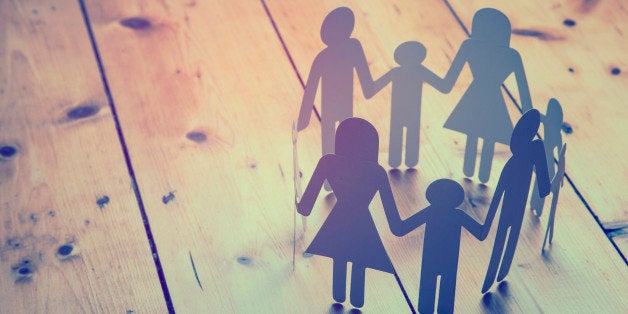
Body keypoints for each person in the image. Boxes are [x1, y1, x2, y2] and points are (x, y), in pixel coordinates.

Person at [297, 118, 413, 308]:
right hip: (361, 224)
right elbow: (394, 222)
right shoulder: (376, 172)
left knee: (341, 255)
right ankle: (354, 298)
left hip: (339, 221)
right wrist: (409, 225)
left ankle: (340, 296)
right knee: (359, 258)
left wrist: (299, 203)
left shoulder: (329, 162)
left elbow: (306, 207)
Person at [440, 8, 533, 183]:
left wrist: (531, 119)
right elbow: (524, 95)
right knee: (485, 135)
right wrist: (531, 118)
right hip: (491, 100)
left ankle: (475, 171)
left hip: (476, 97)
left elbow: (448, 81)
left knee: (476, 132)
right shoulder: (510, 55)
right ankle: (478, 172)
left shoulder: (471, 46)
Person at [481, 109, 551, 293]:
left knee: (506, 237)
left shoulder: (530, 153)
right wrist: (488, 221)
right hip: (513, 206)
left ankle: (499, 273)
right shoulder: (520, 160)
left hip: (515, 205)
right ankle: (496, 274)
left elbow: (542, 180)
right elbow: (499, 194)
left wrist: (488, 221)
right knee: (506, 236)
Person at [296, 7, 374, 158]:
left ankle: (340, 170)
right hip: (331, 108)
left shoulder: (352, 48)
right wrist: (303, 120)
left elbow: (310, 90)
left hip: (340, 107)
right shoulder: (329, 55)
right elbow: (310, 89)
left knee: (342, 141)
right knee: (332, 143)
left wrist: (304, 120)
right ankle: (333, 172)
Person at [401, 179, 486, 313]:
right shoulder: (458, 215)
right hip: (448, 260)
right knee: (445, 287)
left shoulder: (430, 212)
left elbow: (402, 228)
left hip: (433, 258)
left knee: (429, 289)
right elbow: (481, 233)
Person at [372, 41, 448, 168]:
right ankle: (401, 160)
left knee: (406, 133)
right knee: (405, 133)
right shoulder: (416, 71)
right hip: (407, 112)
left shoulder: (399, 72)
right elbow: (443, 86)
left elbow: (374, 87)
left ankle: (403, 160)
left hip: (405, 112)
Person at [530, 99, 564, 216]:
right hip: (544, 156)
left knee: (541, 184)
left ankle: (536, 206)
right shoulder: (551, 126)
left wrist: (561, 172)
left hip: (544, 157)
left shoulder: (549, 124)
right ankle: (535, 205)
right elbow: (537, 116)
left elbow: (561, 154)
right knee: (541, 183)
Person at [542, 144, 567, 251]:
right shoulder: (562, 160)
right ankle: (549, 234)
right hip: (555, 187)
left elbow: (560, 175)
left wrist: (559, 183)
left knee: (552, 214)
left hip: (555, 188)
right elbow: (559, 175)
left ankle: (549, 235)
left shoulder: (563, 160)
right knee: (551, 215)